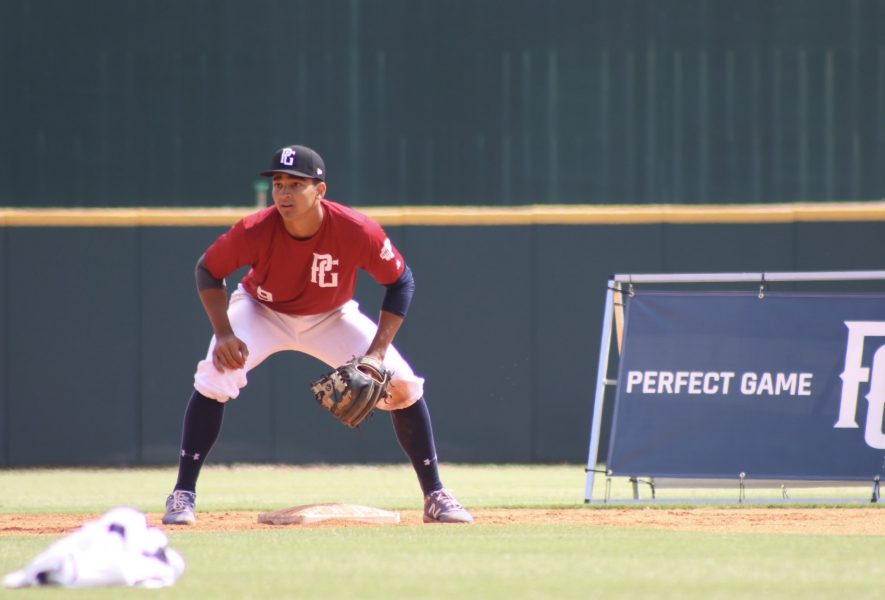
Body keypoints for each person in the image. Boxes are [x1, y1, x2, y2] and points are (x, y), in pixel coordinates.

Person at [162, 145, 472, 525]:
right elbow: (208, 270)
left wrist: (376, 354)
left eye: (296, 184)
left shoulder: (356, 230)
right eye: (278, 184)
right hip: (261, 310)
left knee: (403, 385)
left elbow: (401, 281)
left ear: (320, 190)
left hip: (331, 316)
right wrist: (224, 333)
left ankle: (436, 493)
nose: (284, 193)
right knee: (215, 375)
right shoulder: (255, 230)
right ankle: (183, 493)